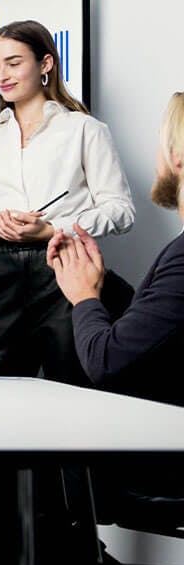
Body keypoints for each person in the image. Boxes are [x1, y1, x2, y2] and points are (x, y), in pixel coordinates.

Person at [0, 19, 135, 385]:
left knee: (75, 391)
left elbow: (121, 211)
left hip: (64, 273)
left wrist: (53, 229)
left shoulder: (84, 130)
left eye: (13, 63)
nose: (2, 75)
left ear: (45, 64)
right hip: (0, 278)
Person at [47, 91, 184, 538]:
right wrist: (99, 284)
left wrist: (84, 297)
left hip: (165, 469)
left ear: (177, 156)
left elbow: (108, 361)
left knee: (34, 467)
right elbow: (159, 324)